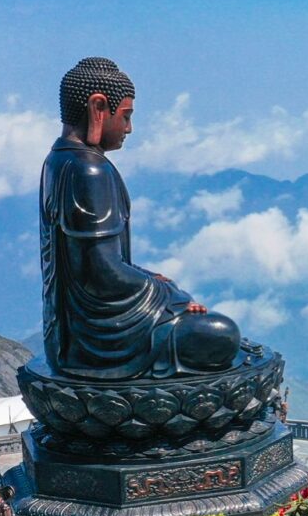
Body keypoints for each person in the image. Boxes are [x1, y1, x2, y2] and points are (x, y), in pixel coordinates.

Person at [39, 57, 242, 380]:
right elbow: (101, 272)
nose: (129, 129)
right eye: (126, 116)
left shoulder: (57, 160)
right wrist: (172, 299)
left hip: (67, 338)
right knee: (222, 335)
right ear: (98, 108)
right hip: (99, 345)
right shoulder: (89, 169)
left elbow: (101, 262)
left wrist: (151, 279)